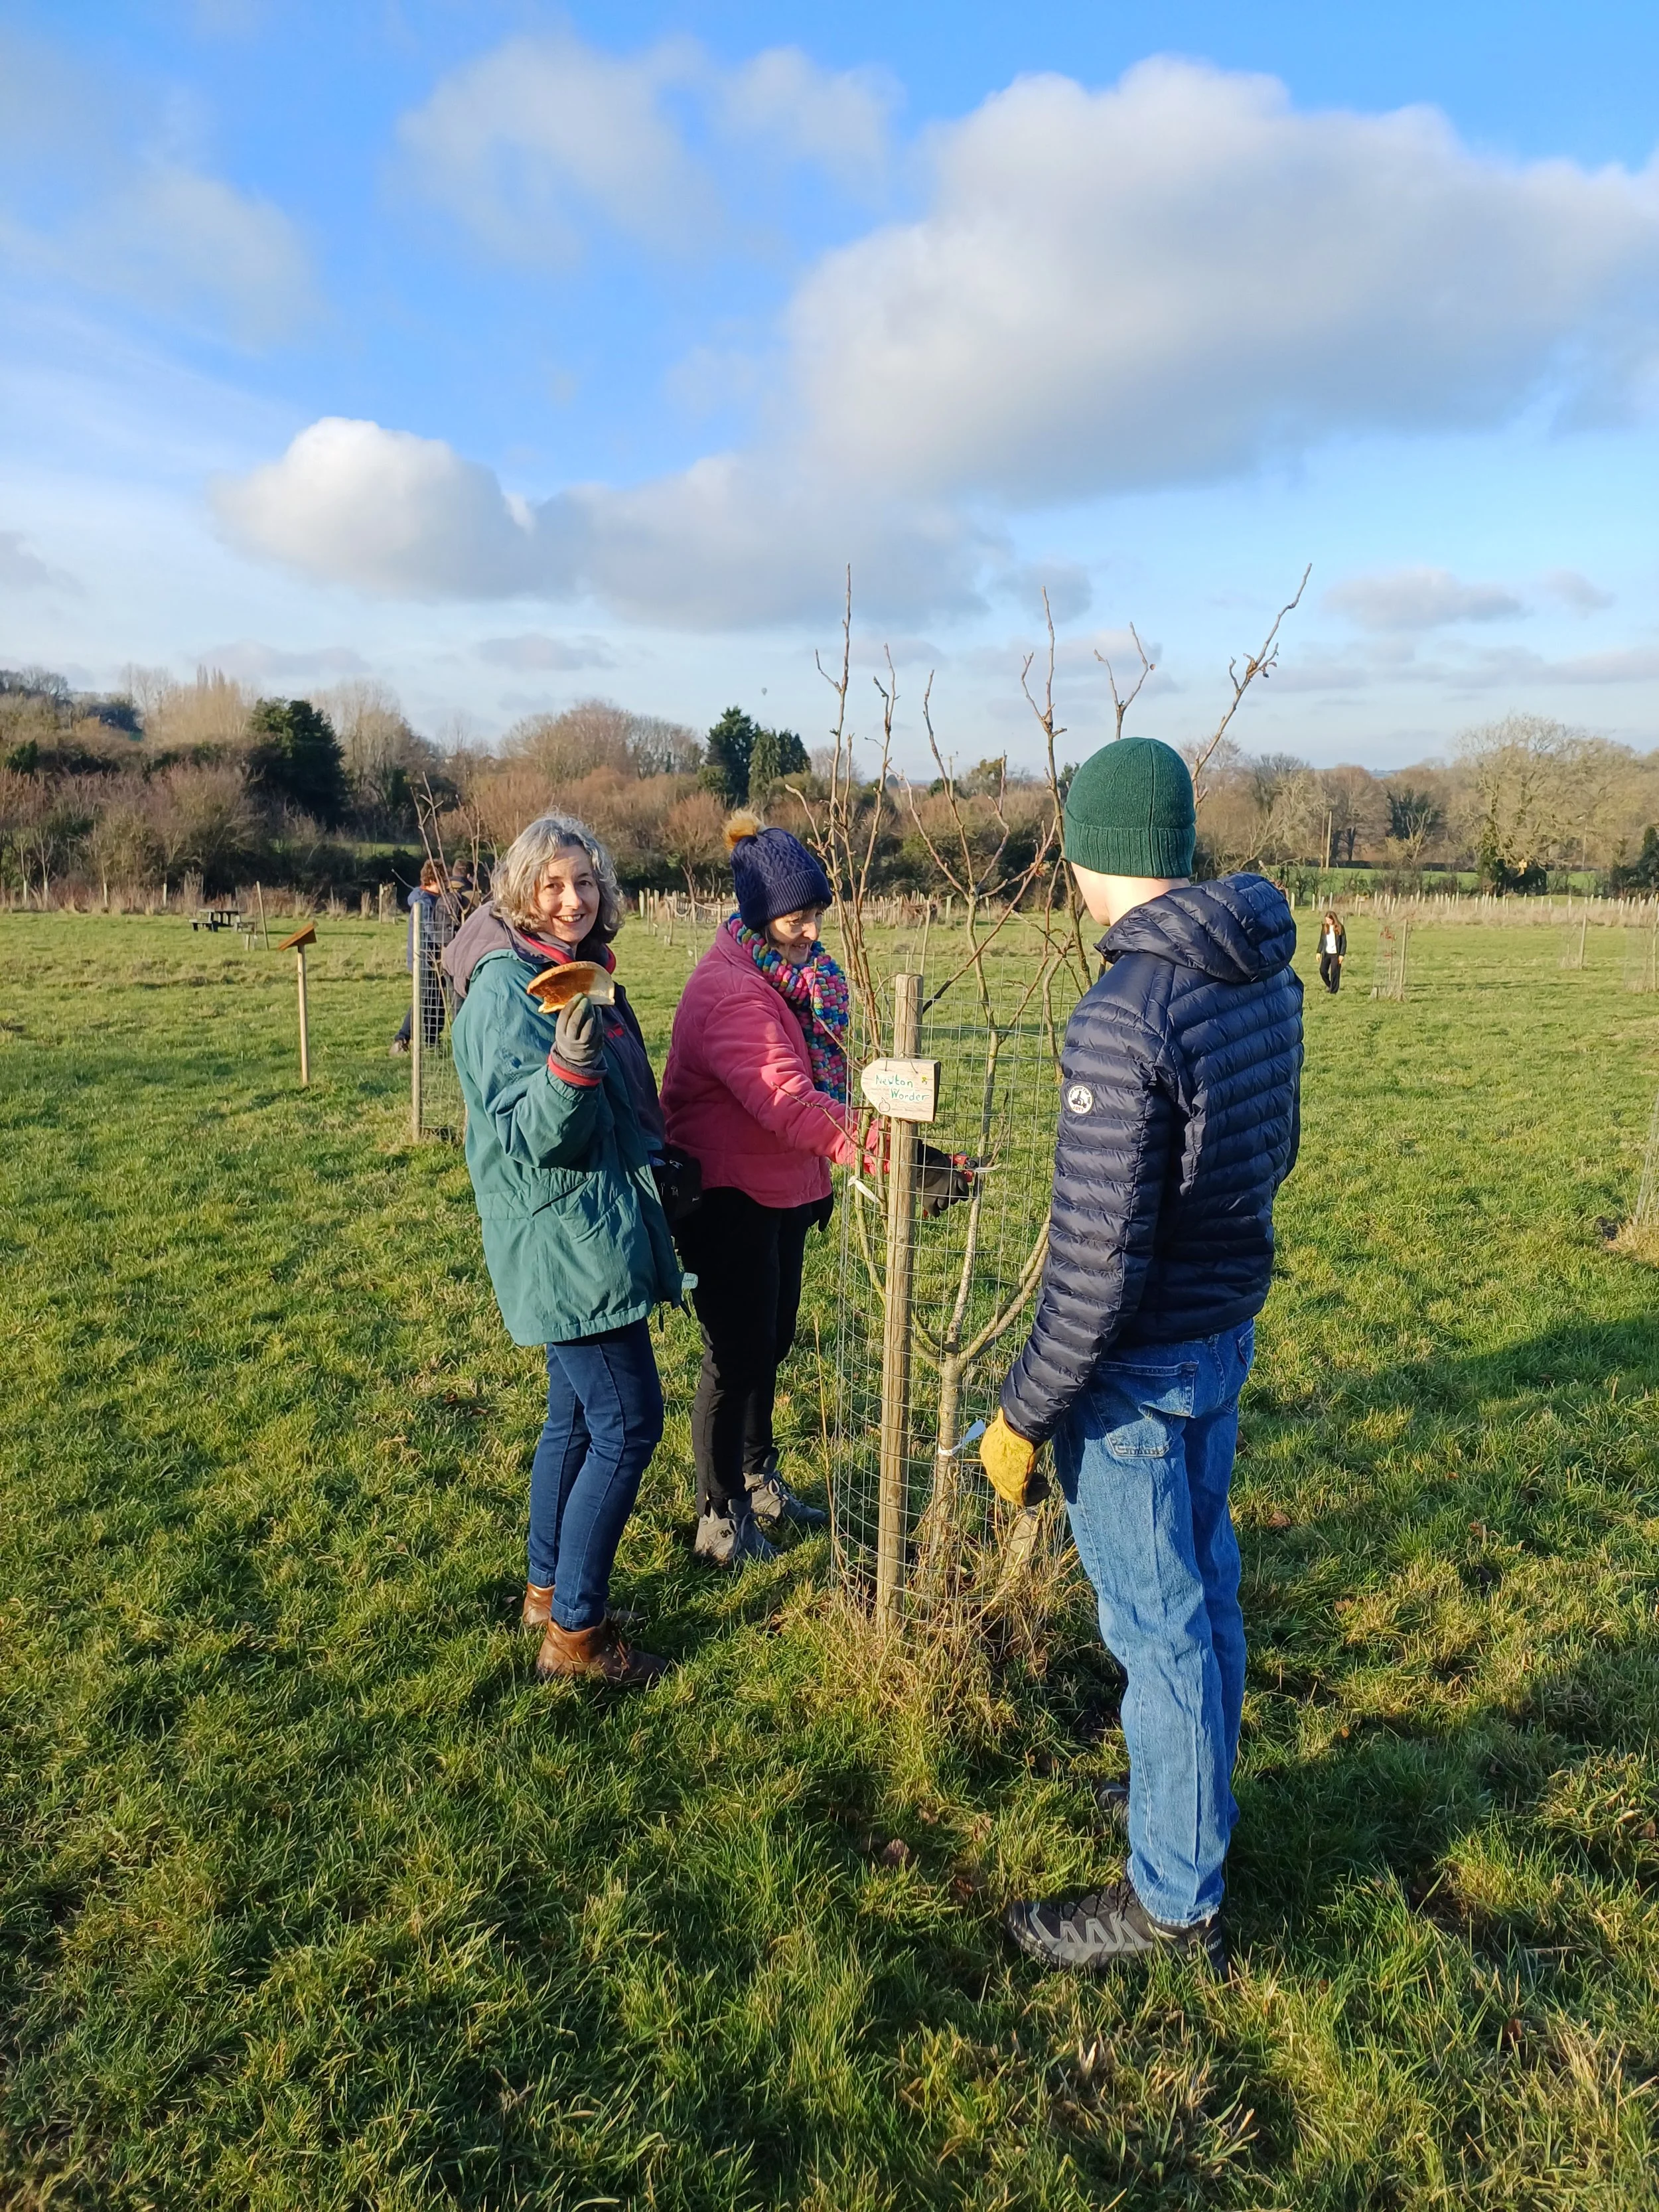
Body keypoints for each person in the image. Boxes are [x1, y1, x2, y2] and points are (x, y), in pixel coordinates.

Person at [980, 737, 1303, 1972]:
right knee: (1206, 1589)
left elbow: (1093, 1266)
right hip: (1223, 1327)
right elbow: (1275, 1149)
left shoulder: (1127, 1013)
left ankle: (1172, 1899)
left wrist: (1022, 1413)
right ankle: (1191, 1805)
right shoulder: (1257, 970)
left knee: (1157, 1620)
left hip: (1139, 1371)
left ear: (1088, 852)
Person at [449, 813, 681, 1686]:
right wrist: (573, 1062)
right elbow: (536, 1133)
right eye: (552, 884)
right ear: (521, 891)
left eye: (585, 882)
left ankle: (547, 1592)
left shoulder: (574, 973)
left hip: (591, 1221)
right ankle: (578, 1637)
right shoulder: (509, 990)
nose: (573, 898)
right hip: (564, 1235)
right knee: (629, 1423)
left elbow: (624, 1108)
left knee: (576, 1417)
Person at [660, 812, 871, 1566]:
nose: (810, 930)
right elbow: (785, 1098)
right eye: (795, 916)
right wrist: (883, 1151)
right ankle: (719, 1515)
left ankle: (756, 1477)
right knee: (737, 1351)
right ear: (756, 913)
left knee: (770, 1344)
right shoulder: (735, 994)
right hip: (728, 1194)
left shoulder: (788, 977)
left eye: (816, 913)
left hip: (781, 1183)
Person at [389, 859, 459, 1055]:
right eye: (443, 878)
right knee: (424, 1001)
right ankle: (402, 1039)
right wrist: (449, 942)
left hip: (434, 960)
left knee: (434, 1002)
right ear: (434, 879)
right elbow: (431, 930)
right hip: (425, 960)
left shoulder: (431, 899)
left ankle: (431, 1041)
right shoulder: (424, 901)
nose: (446, 883)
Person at [1317, 909, 1346, 994]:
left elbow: (1344, 942)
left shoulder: (1340, 928)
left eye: (1329, 920)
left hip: (1336, 954)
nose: (1328, 922)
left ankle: (1333, 991)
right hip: (1326, 953)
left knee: (1334, 972)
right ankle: (1330, 985)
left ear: (1333, 919)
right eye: (1327, 920)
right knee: (1323, 970)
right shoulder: (1325, 928)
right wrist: (1318, 952)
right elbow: (1322, 941)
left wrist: (1342, 954)